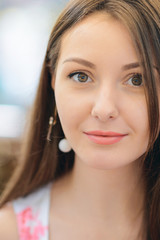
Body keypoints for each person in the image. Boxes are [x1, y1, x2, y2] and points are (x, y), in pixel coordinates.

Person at [0, 0, 159, 239]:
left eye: (137, 80)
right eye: (81, 76)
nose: (104, 109)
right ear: (52, 80)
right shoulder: (10, 230)